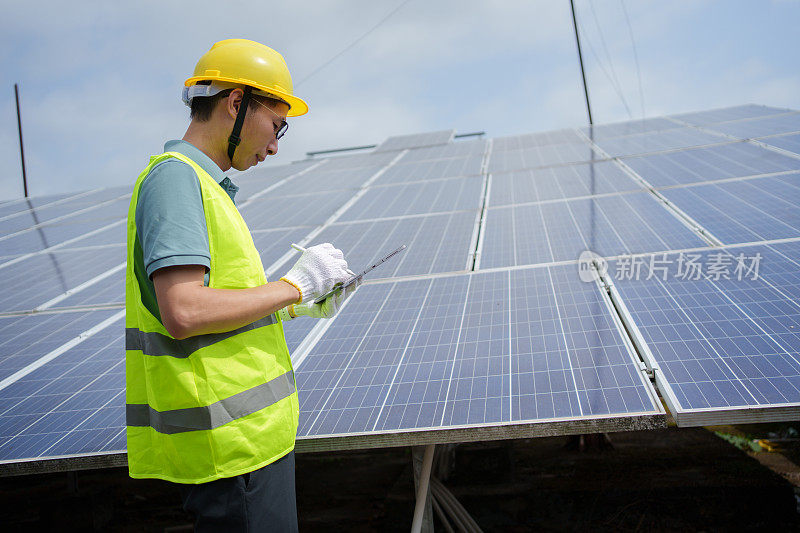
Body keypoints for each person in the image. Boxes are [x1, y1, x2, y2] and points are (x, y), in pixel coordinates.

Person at [124, 39, 357, 532]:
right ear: (235, 102)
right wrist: (295, 286)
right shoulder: (176, 181)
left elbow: (217, 305)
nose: (275, 145)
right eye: (277, 125)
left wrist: (300, 302)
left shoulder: (205, 187)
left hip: (249, 446)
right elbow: (184, 311)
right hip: (234, 454)